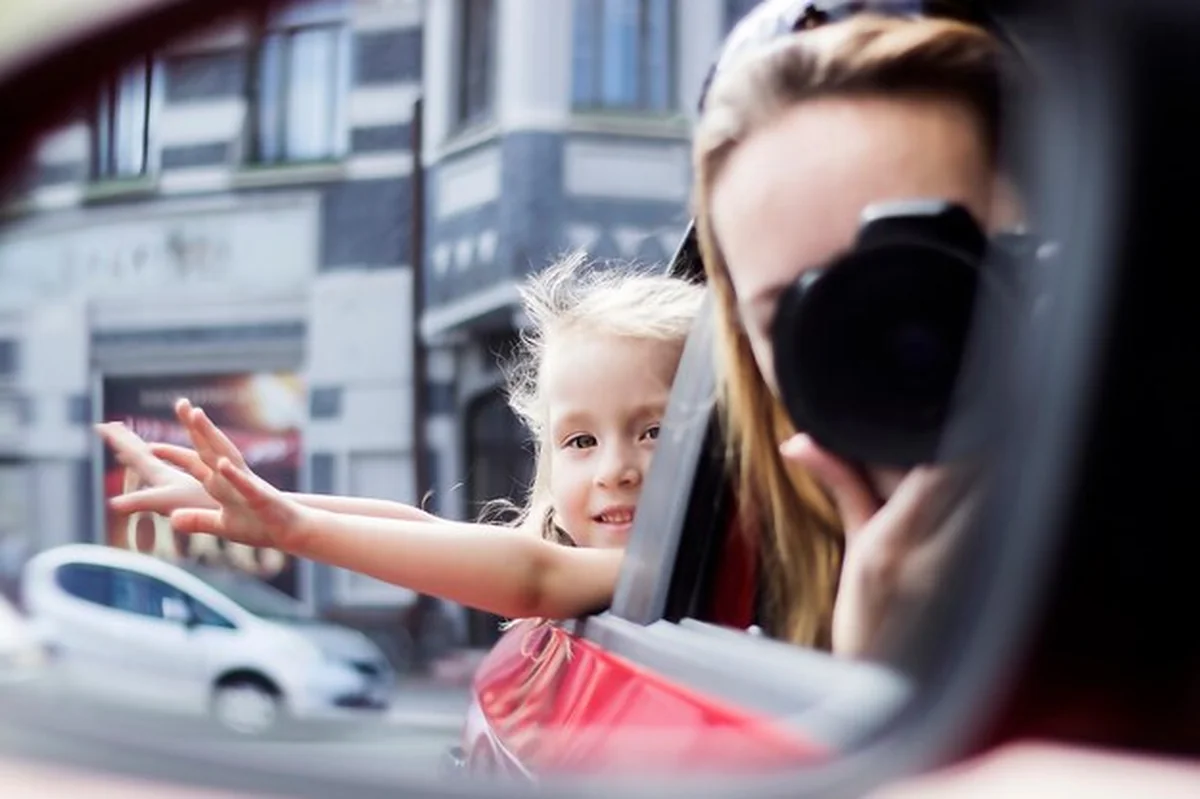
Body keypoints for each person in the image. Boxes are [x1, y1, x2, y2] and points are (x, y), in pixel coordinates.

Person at [97, 252, 704, 622]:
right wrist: (257, 498)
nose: (614, 470)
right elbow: (425, 529)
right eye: (580, 442)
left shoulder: (671, 562)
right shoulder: (602, 560)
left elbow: (532, 577)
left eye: (654, 431)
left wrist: (294, 530)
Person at [692, 9, 1024, 656]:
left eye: (925, 285)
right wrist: (884, 660)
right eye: (796, 311)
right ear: (749, 350)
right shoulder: (786, 584)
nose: (875, 351)